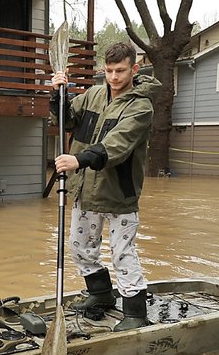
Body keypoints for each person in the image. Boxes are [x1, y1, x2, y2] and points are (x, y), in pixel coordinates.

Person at [50, 41, 162, 331]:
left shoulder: (141, 106)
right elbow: (68, 120)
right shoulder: (94, 94)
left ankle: (135, 313)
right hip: (85, 189)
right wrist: (57, 95)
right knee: (80, 248)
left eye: (121, 71)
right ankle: (100, 295)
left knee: (123, 254)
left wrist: (78, 159)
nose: (114, 77)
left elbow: (117, 146)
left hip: (119, 193)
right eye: (109, 70)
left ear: (134, 69)